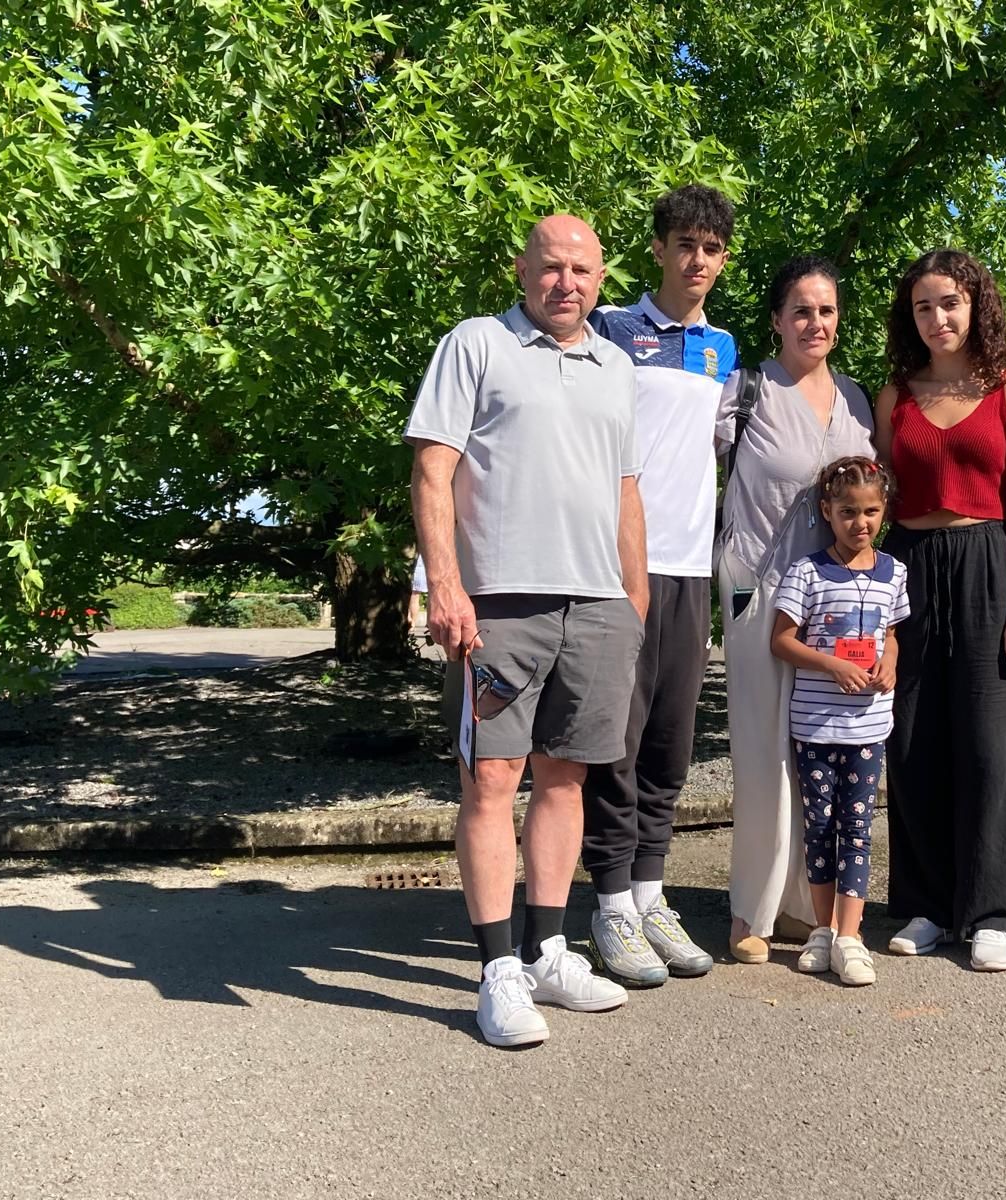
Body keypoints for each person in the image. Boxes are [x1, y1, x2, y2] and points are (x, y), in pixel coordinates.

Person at [406, 214, 645, 1048]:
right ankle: (498, 970)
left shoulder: (617, 366)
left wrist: (635, 604)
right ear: (522, 269)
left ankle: (549, 950)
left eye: (581, 269)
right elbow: (433, 467)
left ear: (602, 277)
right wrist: (444, 584)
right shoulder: (476, 344)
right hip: (500, 603)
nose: (565, 282)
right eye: (551, 266)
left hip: (598, 605)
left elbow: (624, 494)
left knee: (566, 780)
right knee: (492, 781)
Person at [578, 186, 737, 985]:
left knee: (670, 744)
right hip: (615, 565)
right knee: (616, 739)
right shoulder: (609, 329)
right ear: (658, 249)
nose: (696, 260)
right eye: (684, 244)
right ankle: (608, 903)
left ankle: (649, 894)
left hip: (691, 566)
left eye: (711, 248)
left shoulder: (726, 350)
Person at [873, 249, 1006, 973]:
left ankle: (991, 910)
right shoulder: (894, 396)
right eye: (923, 306)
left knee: (987, 746)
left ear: (976, 305)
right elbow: (877, 510)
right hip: (910, 566)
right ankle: (927, 904)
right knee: (910, 741)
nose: (937, 317)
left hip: (988, 565)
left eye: (949, 302)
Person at [716, 256, 877, 965]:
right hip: (759, 590)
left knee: (818, 750)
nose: (817, 323)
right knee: (760, 750)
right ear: (778, 319)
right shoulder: (745, 390)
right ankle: (749, 909)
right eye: (803, 310)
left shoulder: (857, 399)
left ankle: (796, 906)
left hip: (834, 602)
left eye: (828, 311)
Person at [769, 457, 910, 986]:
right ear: (827, 511)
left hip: (868, 728)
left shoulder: (894, 572)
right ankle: (822, 929)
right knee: (820, 826)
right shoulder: (807, 571)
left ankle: (851, 936)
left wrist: (890, 658)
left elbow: (892, 633)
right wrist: (832, 664)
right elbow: (781, 639)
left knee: (856, 827)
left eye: (871, 511)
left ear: (884, 512)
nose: (861, 522)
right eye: (848, 512)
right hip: (815, 725)